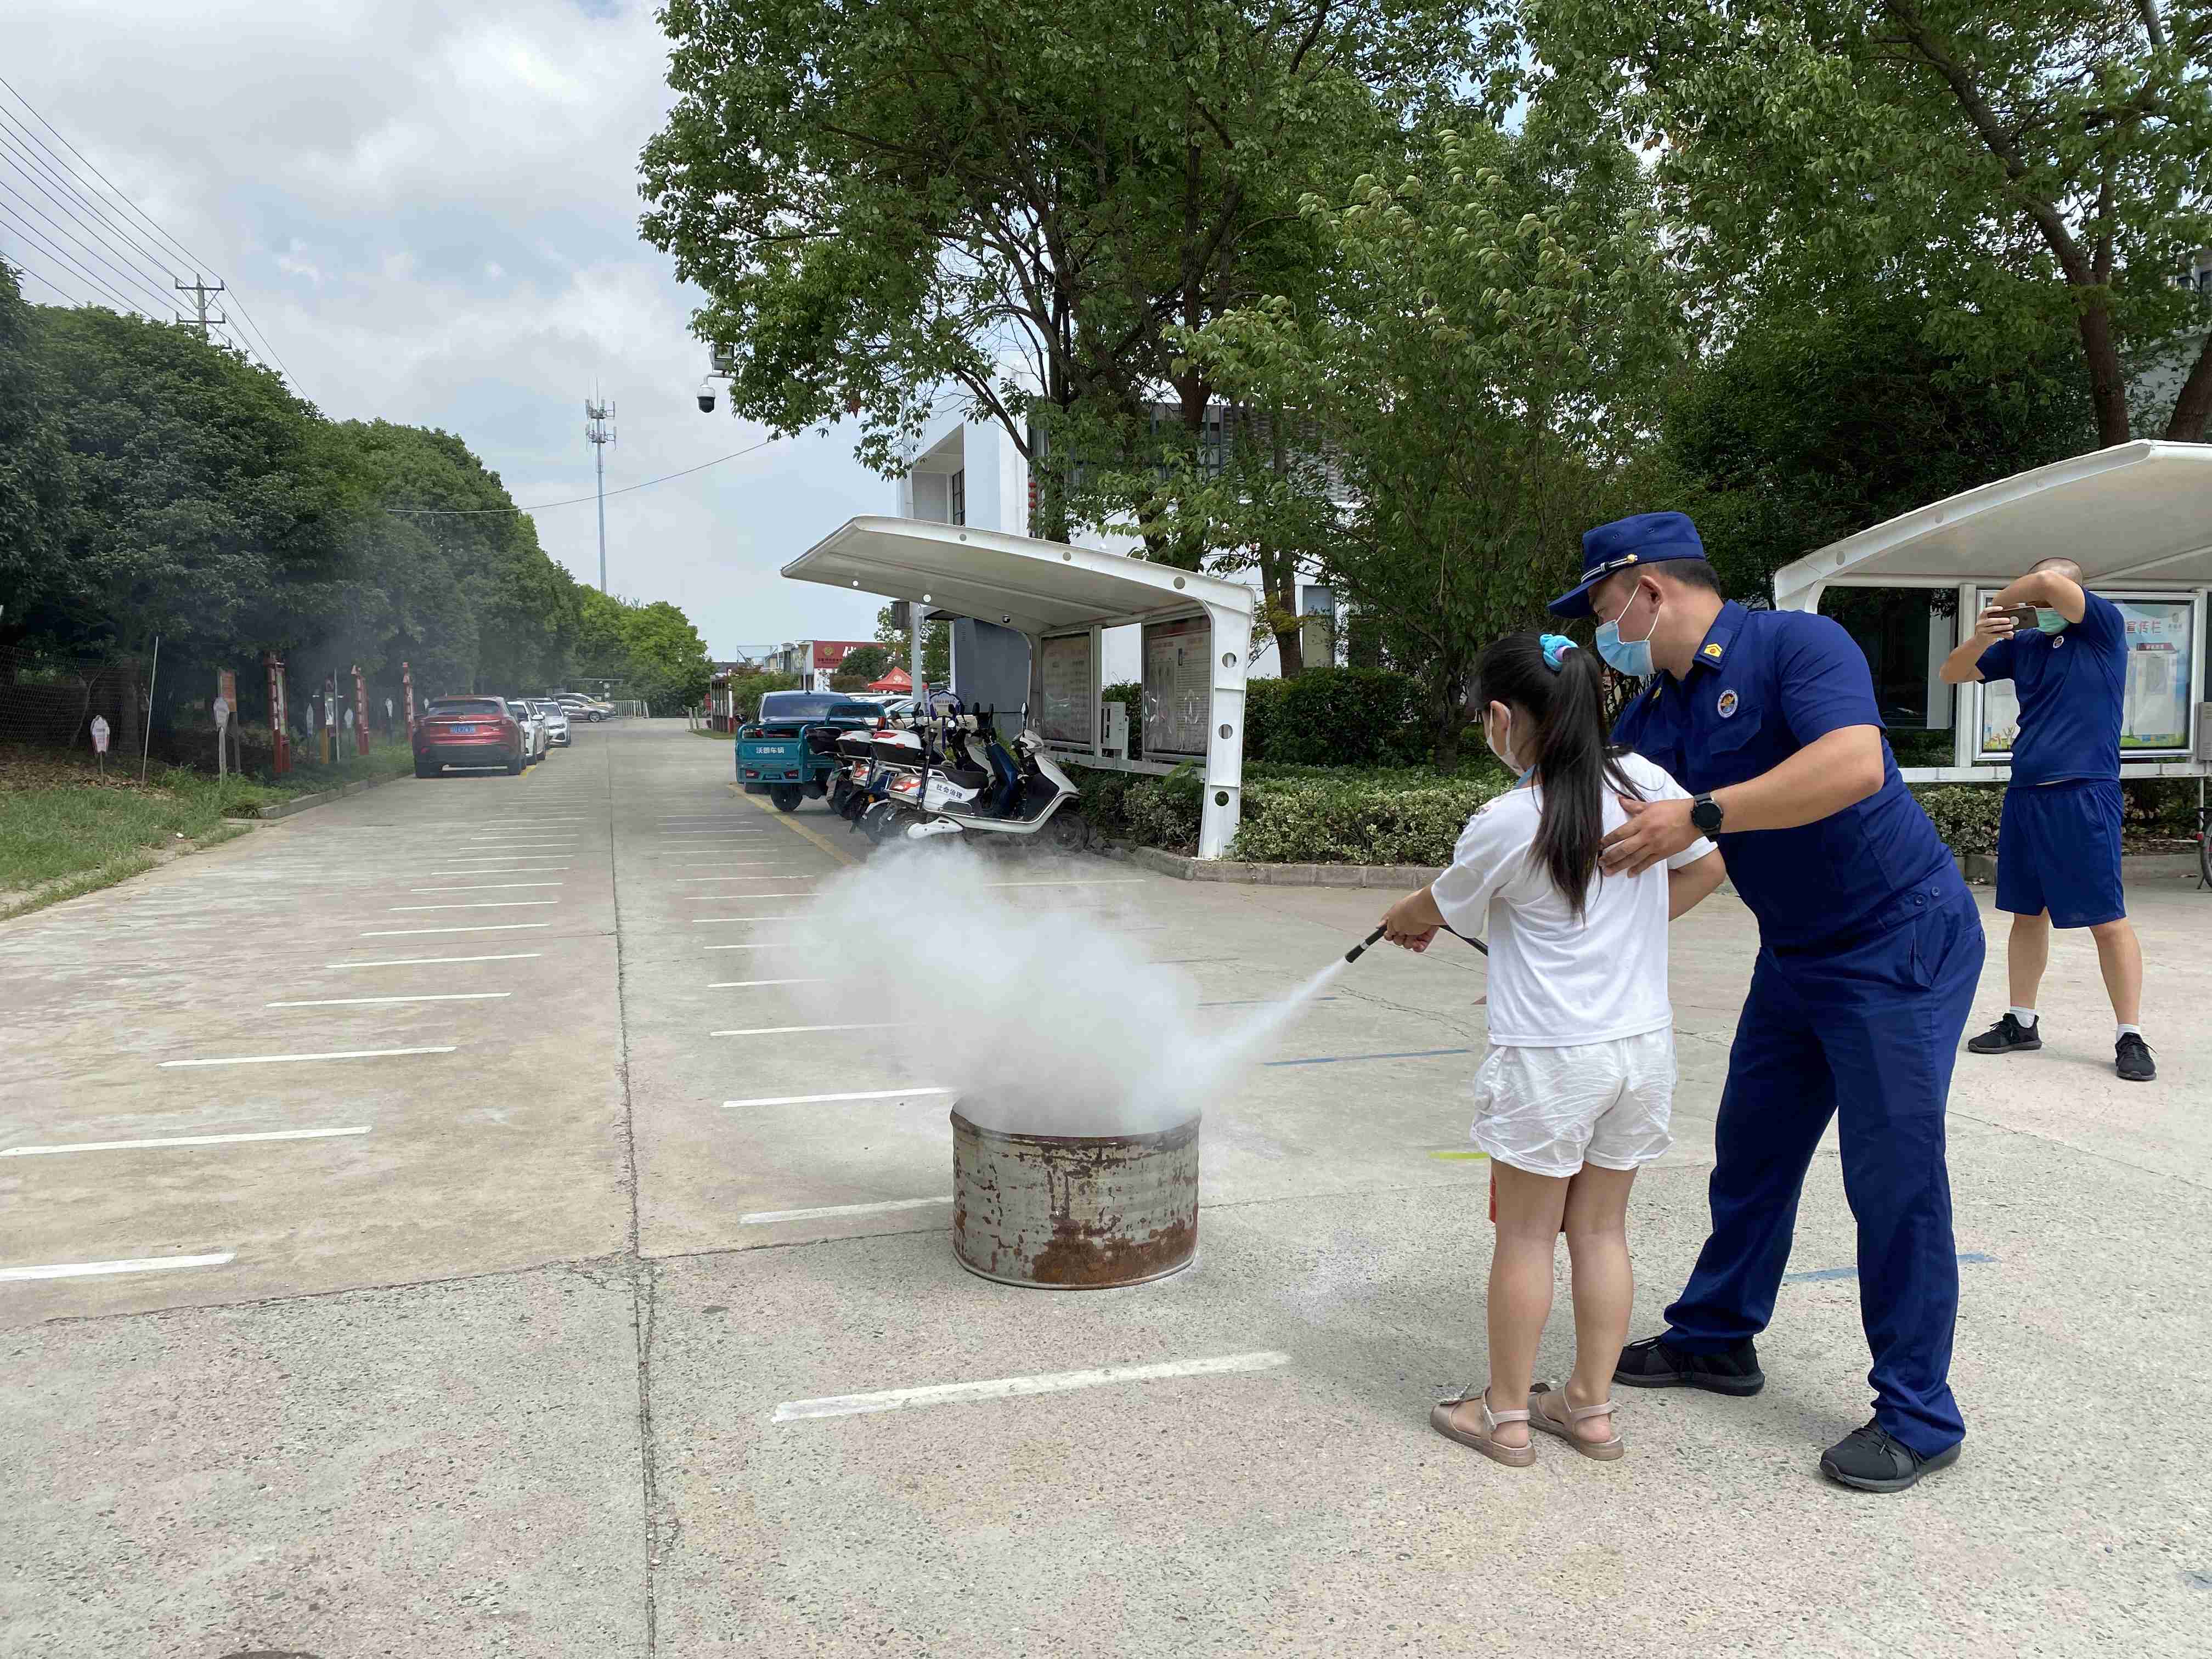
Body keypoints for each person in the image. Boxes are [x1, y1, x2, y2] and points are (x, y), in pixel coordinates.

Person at [1549, 510, 1987, 1493]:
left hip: (1897, 938)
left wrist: (1705, 812)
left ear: (1649, 591)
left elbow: (1853, 765)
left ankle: (1919, 1412)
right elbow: (1647, 839)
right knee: (1752, 1149)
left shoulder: (1797, 645)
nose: (1602, 631)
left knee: (1893, 1173)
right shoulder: (1653, 717)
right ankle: (1716, 1336)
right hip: (1794, 951)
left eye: (1603, 610)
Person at [1380, 631, 1726, 1468]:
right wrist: (1619, 944)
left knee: (1527, 1238)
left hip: (1550, 1062)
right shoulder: (1646, 783)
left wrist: (1402, 917)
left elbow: (1437, 907)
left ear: (1502, 718)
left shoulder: (1506, 820)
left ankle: (1503, 1417)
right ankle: (1589, 1410)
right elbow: (1709, 868)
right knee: (1602, 1232)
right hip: (1640, 1053)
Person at [1937, 560, 2154, 1082]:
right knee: (2027, 914)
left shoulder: (2101, 629)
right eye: (2035, 602)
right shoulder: (2026, 646)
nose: (2041, 606)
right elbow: (1952, 673)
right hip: (2027, 795)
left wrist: (2008, 600)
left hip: (2085, 793)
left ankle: (2130, 1034)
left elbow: (2050, 582)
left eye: (2047, 598)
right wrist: (1982, 635)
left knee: (2107, 919)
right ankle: (2022, 1021)